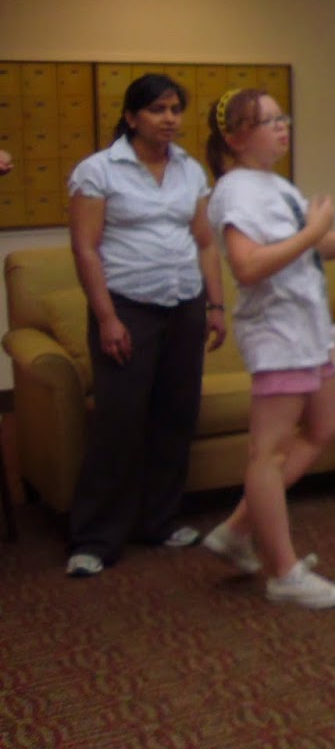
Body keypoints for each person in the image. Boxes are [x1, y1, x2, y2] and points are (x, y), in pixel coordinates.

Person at [199, 89, 335, 609]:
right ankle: (283, 572)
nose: (281, 126)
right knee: (266, 453)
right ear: (235, 138)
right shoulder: (235, 192)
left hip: (307, 330)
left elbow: (309, 245)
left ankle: (237, 530)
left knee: (323, 427)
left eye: (281, 117)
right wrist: (313, 231)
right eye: (267, 121)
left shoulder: (276, 184)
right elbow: (247, 265)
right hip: (277, 332)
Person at [63, 73, 228, 579]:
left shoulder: (189, 169)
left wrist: (216, 305)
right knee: (119, 422)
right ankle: (95, 537)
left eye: (175, 109)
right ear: (132, 117)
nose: (169, 119)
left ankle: (158, 521)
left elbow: (204, 241)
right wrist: (107, 317)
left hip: (184, 303)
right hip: (127, 306)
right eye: (157, 109)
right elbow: (85, 248)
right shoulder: (98, 171)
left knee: (175, 415)